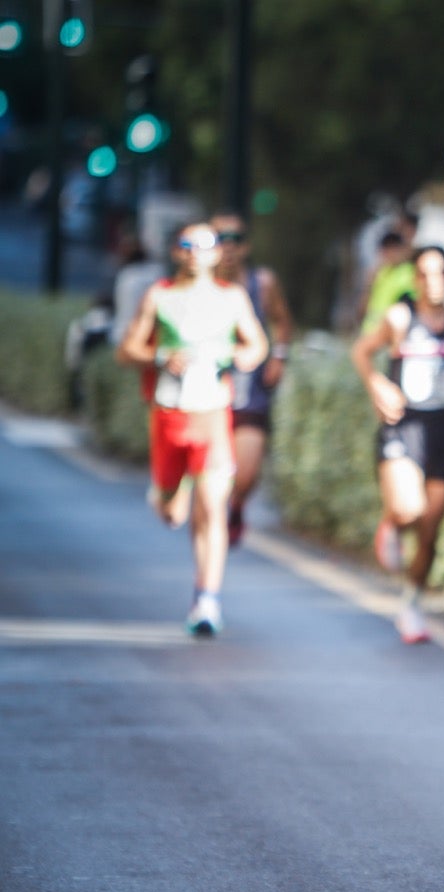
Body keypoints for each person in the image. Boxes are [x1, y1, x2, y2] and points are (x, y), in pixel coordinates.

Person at [116, 221, 269, 636]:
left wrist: (240, 357)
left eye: (206, 246)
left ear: (217, 254)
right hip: (169, 413)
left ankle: (207, 599)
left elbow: (257, 345)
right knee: (172, 513)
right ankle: (168, 491)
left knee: (213, 508)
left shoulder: (232, 298)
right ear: (177, 252)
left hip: (213, 413)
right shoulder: (161, 295)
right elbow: (127, 348)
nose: (197, 253)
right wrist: (162, 355)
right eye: (188, 245)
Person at [350, 245, 444, 644]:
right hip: (403, 425)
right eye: (425, 274)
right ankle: (393, 524)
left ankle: (412, 604)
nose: (433, 282)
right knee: (408, 509)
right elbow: (362, 352)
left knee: (431, 532)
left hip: (441, 432)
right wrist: (377, 385)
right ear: (415, 279)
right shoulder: (400, 319)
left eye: (440, 274)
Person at [211, 210, 295, 547]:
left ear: (245, 247)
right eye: (220, 240)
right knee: (210, 478)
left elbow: (283, 322)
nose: (228, 248)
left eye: (236, 240)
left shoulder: (263, 283)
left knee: (246, 473)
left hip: (250, 392)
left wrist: (278, 356)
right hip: (205, 396)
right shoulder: (195, 287)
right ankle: (210, 520)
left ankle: (235, 505)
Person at [358, 211, 418, 335]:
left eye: (394, 249)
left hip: (390, 334)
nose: (390, 253)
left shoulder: (409, 273)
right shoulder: (379, 272)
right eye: (387, 249)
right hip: (370, 331)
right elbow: (365, 303)